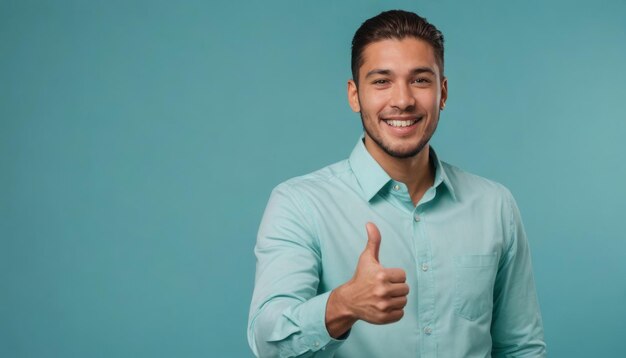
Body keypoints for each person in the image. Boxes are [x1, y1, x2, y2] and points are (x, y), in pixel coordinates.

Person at [248, 9, 546, 358]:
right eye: (381, 81)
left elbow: (520, 347)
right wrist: (343, 304)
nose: (402, 100)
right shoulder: (299, 203)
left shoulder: (495, 205)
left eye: (420, 80)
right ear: (354, 94)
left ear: (443, 92)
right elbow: (267, 341)